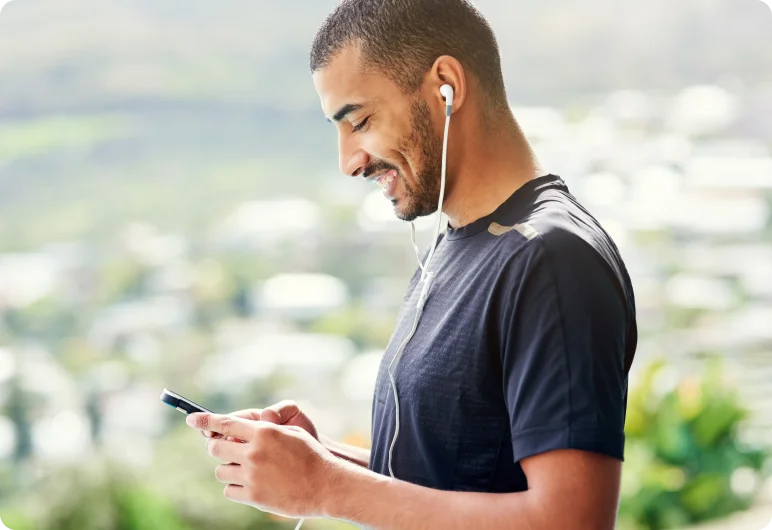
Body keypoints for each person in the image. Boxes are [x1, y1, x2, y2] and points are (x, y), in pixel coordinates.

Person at [185, 1, 638, 528]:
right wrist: (319, 458)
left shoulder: (550, 260)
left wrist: (327, 487)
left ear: (446, 84)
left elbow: (570, 520)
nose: (349, 162)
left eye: (360, 122)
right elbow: (450, 477)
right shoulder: (455, 245)